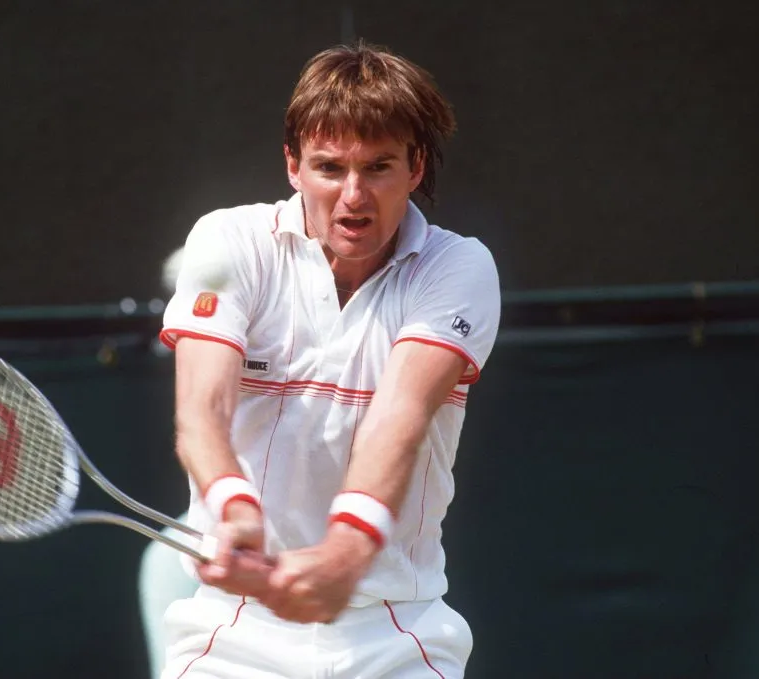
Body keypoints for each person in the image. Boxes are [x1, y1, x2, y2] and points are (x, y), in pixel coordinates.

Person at [156, 41, 500, 679]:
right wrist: (235, 509)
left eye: (378, 167)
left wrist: (348, 549)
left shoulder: (460, 266)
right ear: (292, 166)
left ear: (416, 166)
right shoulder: (228, 241)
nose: (353, 196)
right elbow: (203, 409)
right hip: (233, 629)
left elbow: (400, 417)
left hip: (398, 627)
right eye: (329, 167)